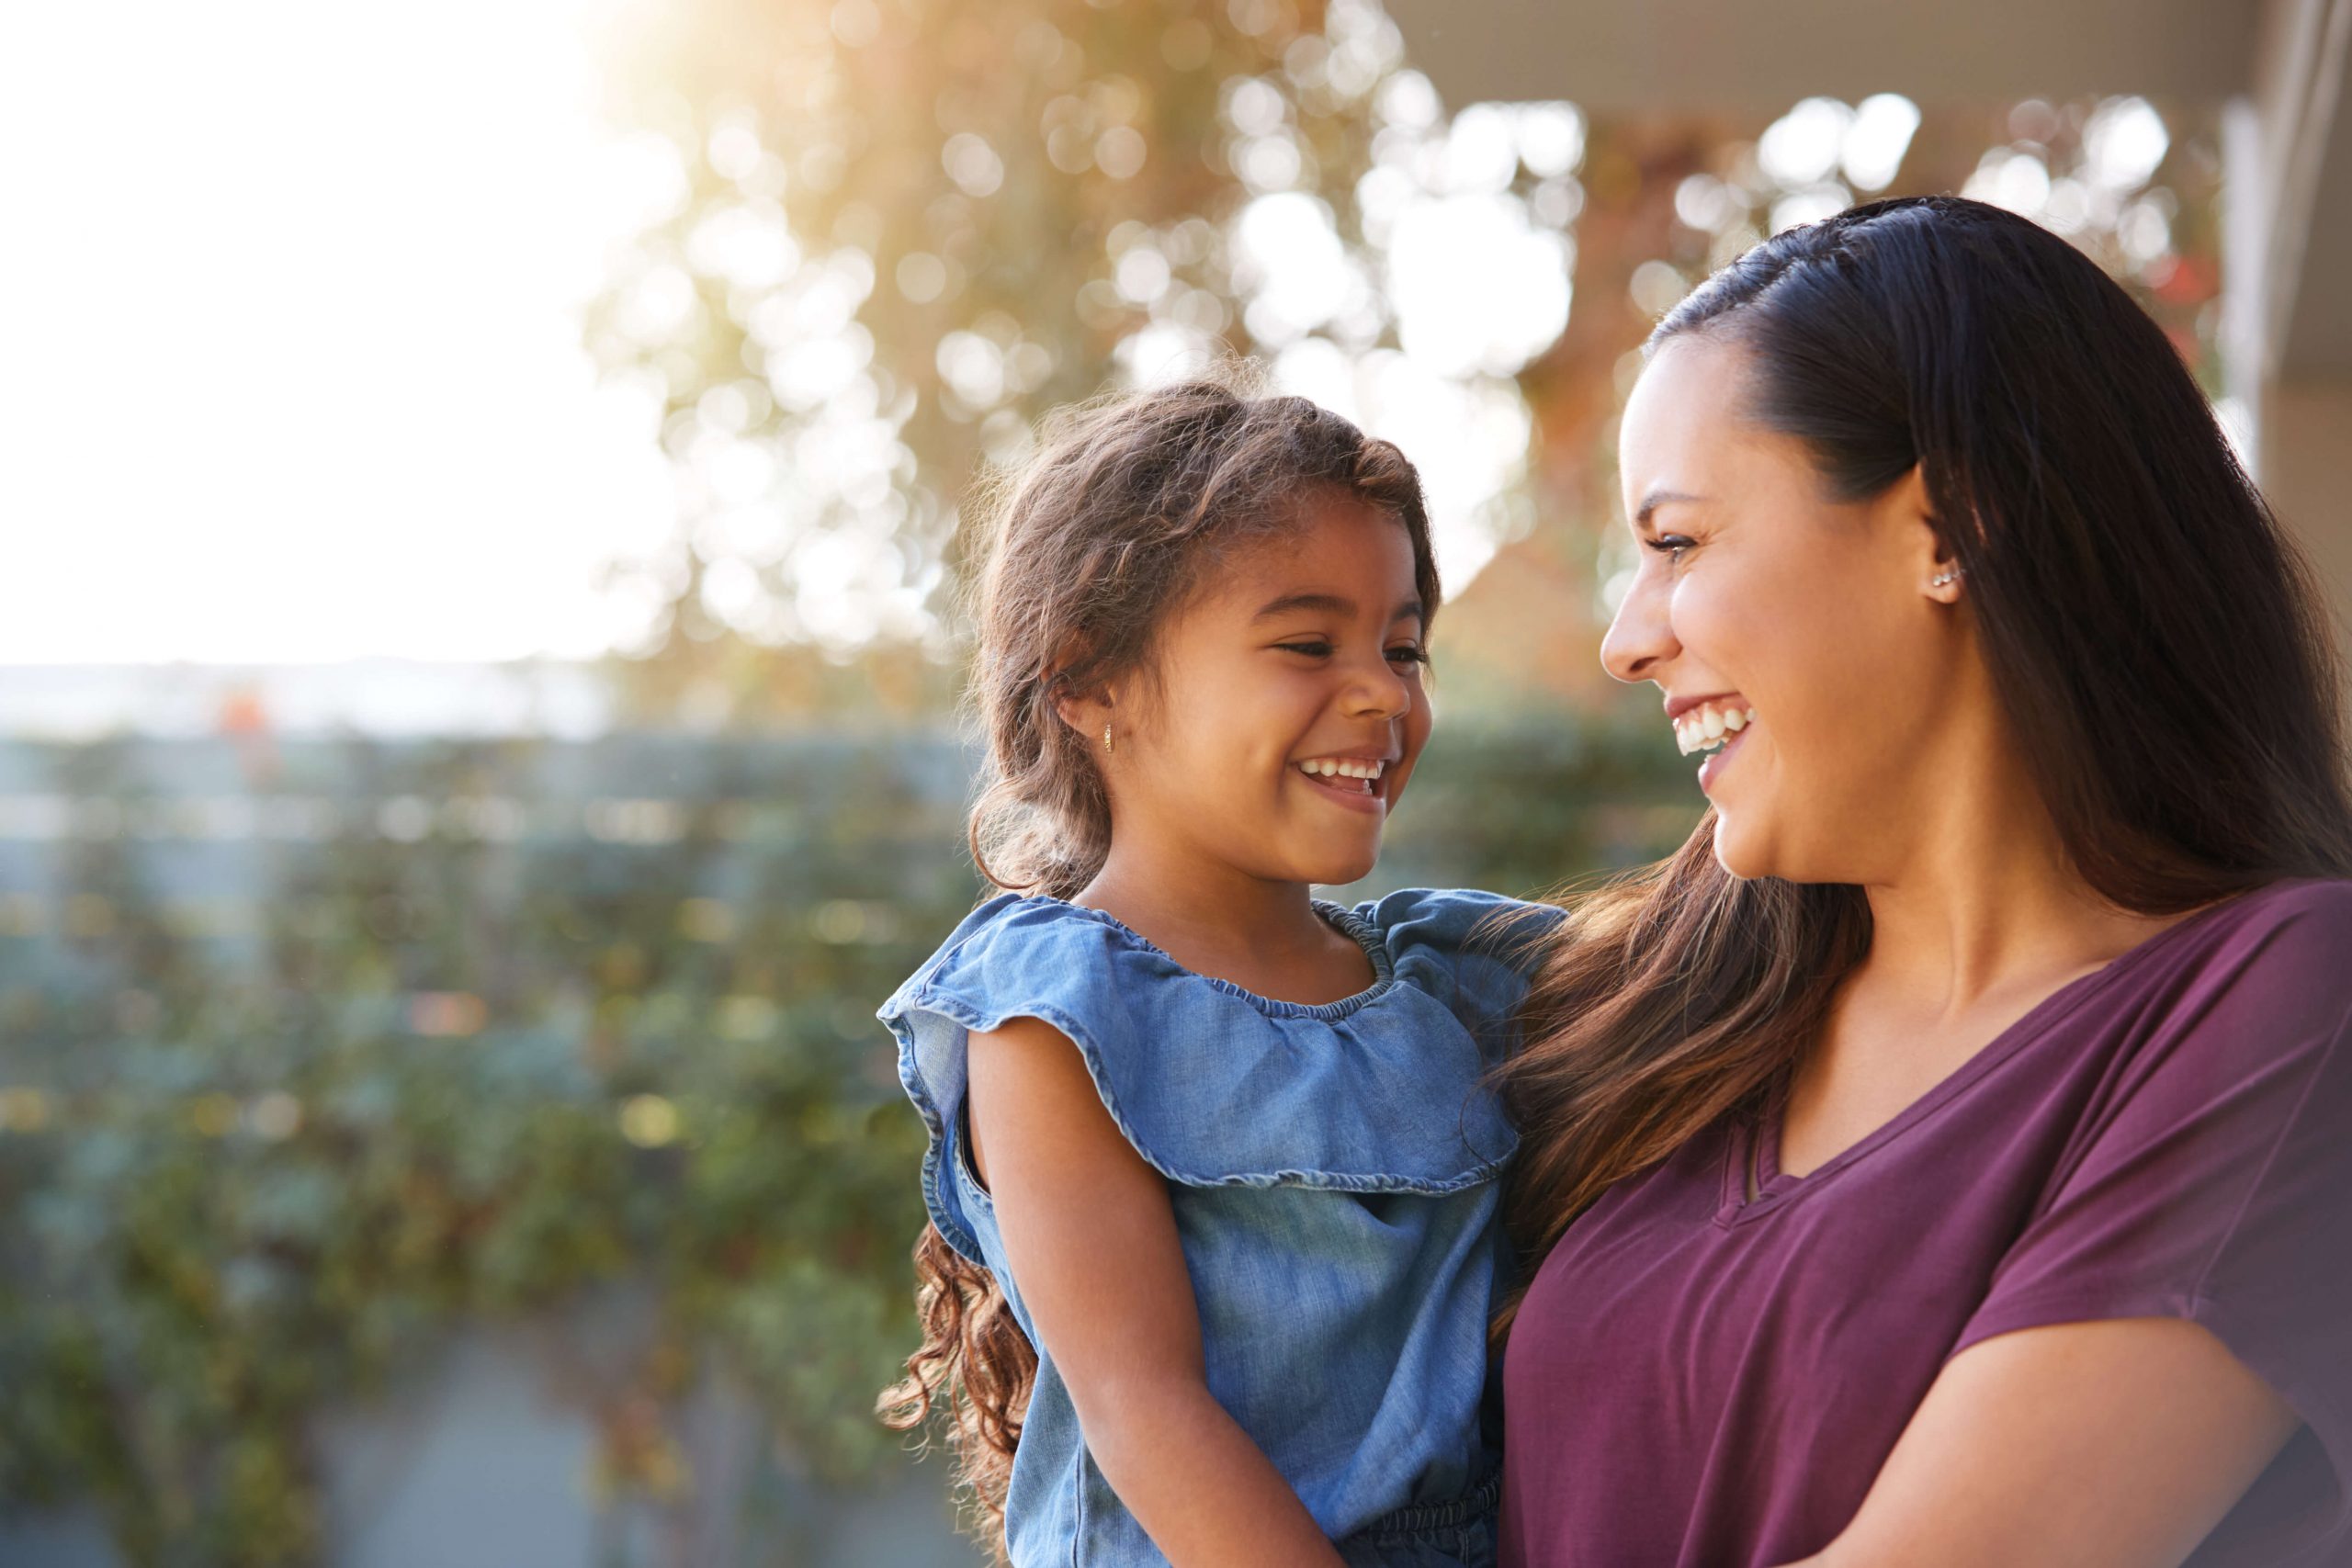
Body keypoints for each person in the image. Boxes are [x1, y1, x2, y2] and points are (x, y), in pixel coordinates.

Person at [1497, 195, 2352, 1568]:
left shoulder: (2289, 1010)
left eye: (1677, 544)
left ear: (1953, 525)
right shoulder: (1652, 1008)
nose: (1624, 640)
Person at [876, 378, 1557, 1566]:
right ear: (1091, 682)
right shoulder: (1053, 1014)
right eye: (1308, 644)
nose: (1384, 694)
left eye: (1405, 648)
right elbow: (1150, 1413)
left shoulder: (1461, 979)